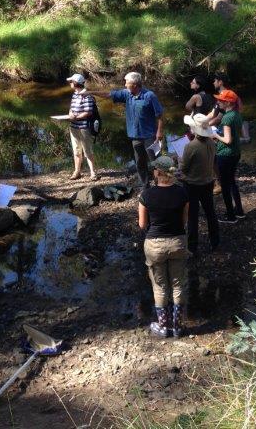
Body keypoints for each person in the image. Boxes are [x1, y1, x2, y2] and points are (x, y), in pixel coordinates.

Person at [138, 156, 189, 338]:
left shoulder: (146, 195)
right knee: (178, 284)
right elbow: (184, 221)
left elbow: (142, 225)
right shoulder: (182, 193)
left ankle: (163, 326)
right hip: (178, 242)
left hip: (155, 245)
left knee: (160, 287)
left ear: (157, 173)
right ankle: (177, 326)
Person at [89, 72, 164, 188]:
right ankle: (145, 185)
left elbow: (159, 115)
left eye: (126, 82)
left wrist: (159, 132)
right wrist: (90, 92)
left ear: (134, 84)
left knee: (155, 161)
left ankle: (161, 185)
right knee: (139, 161)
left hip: (150, 135)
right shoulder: (127, 94)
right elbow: (108, 94)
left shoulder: (150, 96)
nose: (124, 85)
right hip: (135, 135)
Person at [179, 113, 219, 254]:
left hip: (192, 185)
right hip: (208, 182)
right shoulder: (212, 143)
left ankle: (192, 246)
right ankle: (215, 242)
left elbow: (183, 168)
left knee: (192, 216)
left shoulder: (191, 146)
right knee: (210, 213)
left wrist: (179, 160)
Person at [209, 89, 245, 223]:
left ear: (228, 102)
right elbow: (239, 134)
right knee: (232, 182)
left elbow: (228, 140)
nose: (218, 102)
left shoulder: (227, 117)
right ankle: (239, 211)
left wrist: (216, 135)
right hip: (236, 152)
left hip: (225, 154)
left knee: (225, 185)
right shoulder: (237, 114)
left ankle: (230, 216)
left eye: (220, 100)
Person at [66, 73, 98, 181]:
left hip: (84, 127)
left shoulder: (87, 95)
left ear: (75, 83)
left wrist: (76, 117)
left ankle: (93, 173)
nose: (70, 83)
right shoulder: (75, 94)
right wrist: (70, 114)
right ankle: (77, 172)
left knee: (87, 150)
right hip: (73, 126)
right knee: (76, 150)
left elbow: (88, 112)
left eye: (71, 82)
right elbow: (71, 108)